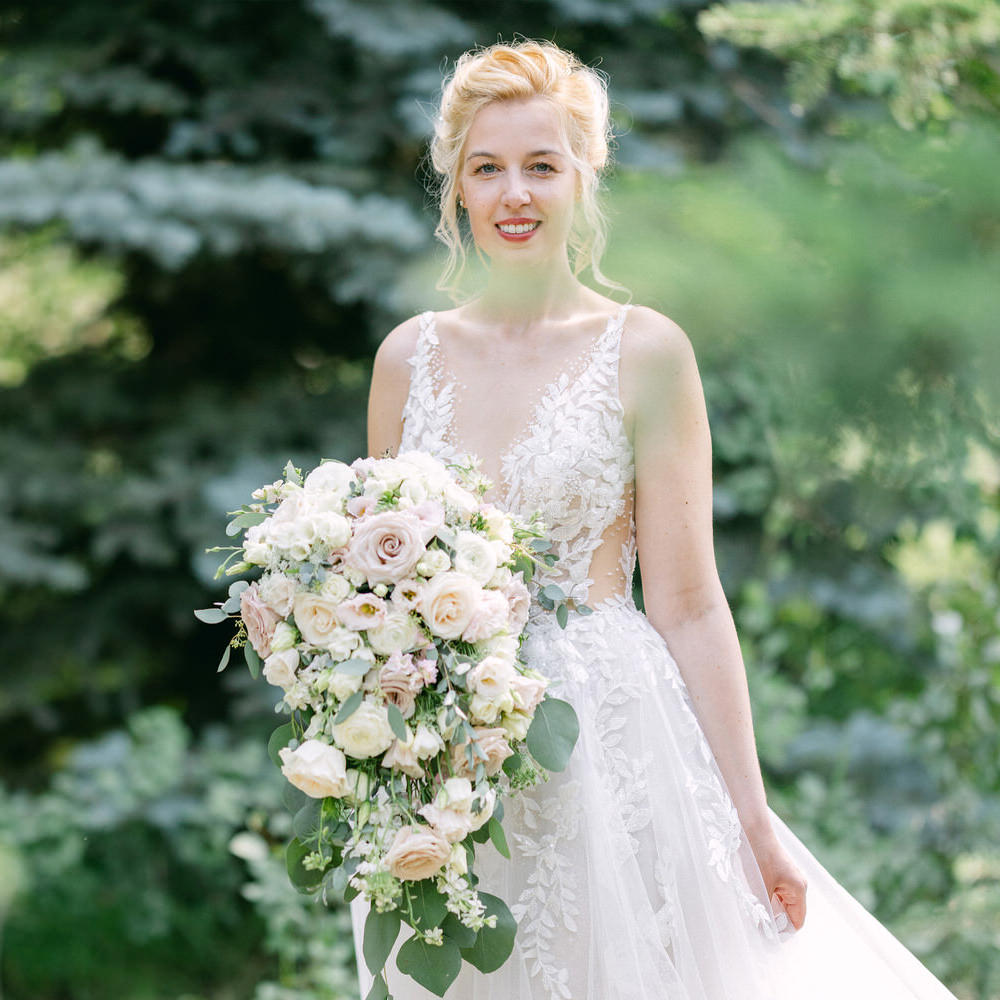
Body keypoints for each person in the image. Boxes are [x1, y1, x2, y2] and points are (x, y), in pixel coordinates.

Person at [352, 38, 959, 1000]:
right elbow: (376, 588)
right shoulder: (407, 358)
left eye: (542, 166)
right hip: (451, 762)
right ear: (456, 186)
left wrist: (753, 822)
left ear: (585, 178)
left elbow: (687, 603)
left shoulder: (646, 353)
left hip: (615, 743)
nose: (516, 192)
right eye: (489, 167)